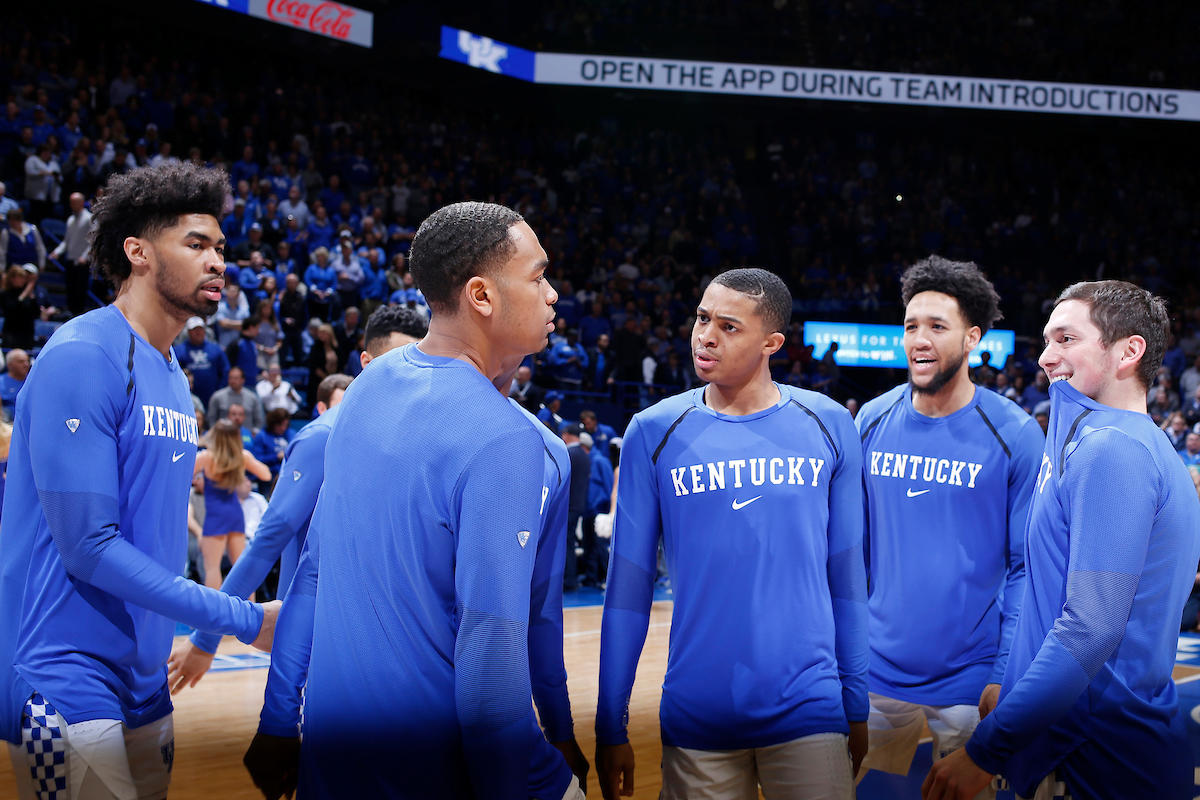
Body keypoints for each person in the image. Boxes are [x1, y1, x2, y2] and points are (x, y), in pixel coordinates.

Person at [244, 201, 582, 800]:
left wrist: (277, 723)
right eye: (537, 276)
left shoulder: (371, 382)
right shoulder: (507, 439)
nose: (552, 293)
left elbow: (313, 575)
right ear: (482, 294)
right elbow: (491, 663)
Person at [0, 160, 280, 800]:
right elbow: (89, 548)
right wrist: (241, 618)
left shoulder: (176, 377)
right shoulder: (84, 354)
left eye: (220, 247)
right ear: (138, 252)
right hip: (61, 670)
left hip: (146, 676)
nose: (218, 261)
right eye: (196, 244)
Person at [596, 268, 868, 800]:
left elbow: (848, 577)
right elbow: (626, 592)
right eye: (701, 318)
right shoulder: (653, 431)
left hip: (809, 706)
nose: (706, 335)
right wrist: (611, 723)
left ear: (772, 342)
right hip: (697, 711)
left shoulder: (830, 424)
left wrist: (855, 703)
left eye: (728, 325)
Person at [924, 281, 1200, 800]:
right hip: (1099, 736)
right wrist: (1017, 679)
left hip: (1103, 752)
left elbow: (1090, 627)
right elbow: (1055, 588)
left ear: (1128, 351)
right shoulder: (1119, 443)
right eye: (1047, 341)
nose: (1046, 358)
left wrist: (988, 750)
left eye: (1067, 339)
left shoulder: (1111, 449)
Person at [854, 257, 1044, 796]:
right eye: (912, 325)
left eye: (938, 326)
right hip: (874, 666)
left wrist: (1004, 667)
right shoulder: (871, 419)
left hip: (969, 674)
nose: (919, 338)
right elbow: (851, 550)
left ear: (972, 338)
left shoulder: (1016, 434)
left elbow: (1024, 566)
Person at [193, 419, 271, 589]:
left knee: (212, 568)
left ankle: (214, 612)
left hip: (215, 516)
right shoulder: (242, 456)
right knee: (240, 569)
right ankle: (250, 607)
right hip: (236, 514)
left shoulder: (207, 456)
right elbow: (266, 475)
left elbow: (184, 473)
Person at [51, 192, 94, 316]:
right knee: (70, 290)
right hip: (70, 258)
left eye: (74, 202)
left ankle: (78, 314)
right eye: (70, 202)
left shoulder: (88, 218)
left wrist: (85, 256)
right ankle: (70, 315)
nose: (72, 205)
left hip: (81, 261)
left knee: (80, 291)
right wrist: (57, 252)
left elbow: (93, 240)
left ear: (81, 202)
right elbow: (67, 241)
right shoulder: (70, 219)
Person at [561, 424, 592, 591]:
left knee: (565, 542)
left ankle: (568, 579)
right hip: (578, 504)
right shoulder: (584, 455)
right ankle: (570, 578)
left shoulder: (569, 453)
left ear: (566, 435)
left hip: (568, 504)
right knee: (569, 541)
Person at [174, 317, 229, 408]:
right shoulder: (179, 351)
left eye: (200, 329)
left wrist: (219, 391)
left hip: (212, 397)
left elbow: (225, 371)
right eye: (194, 329)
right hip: (188, 398)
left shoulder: (216, 349)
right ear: (188, 332)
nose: (198, 332)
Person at [208, 365, 266, 434]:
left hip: (247, 438)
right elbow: (211, 418)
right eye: (230, 378)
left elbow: (259, 420)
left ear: (243, 380)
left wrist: (254, 434)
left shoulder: (252, 398)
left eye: (236, 378)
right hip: (223, 436)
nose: (232, 381)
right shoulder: (217, 396)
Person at [306, 323, 339, 410]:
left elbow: (341, 364)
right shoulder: (315, 348)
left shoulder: (336, 348)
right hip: (318, 382)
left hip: (334, 381)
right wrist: (327, 379)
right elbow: (314, 366)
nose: (321, 335)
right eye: (320, 333)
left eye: (323, 333)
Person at [0, 348, 30, 420]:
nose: (26, 364)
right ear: (10, 365)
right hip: (8, 422)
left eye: (27, 361)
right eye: (20, 362)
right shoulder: (1, 382)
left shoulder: (33, 381)